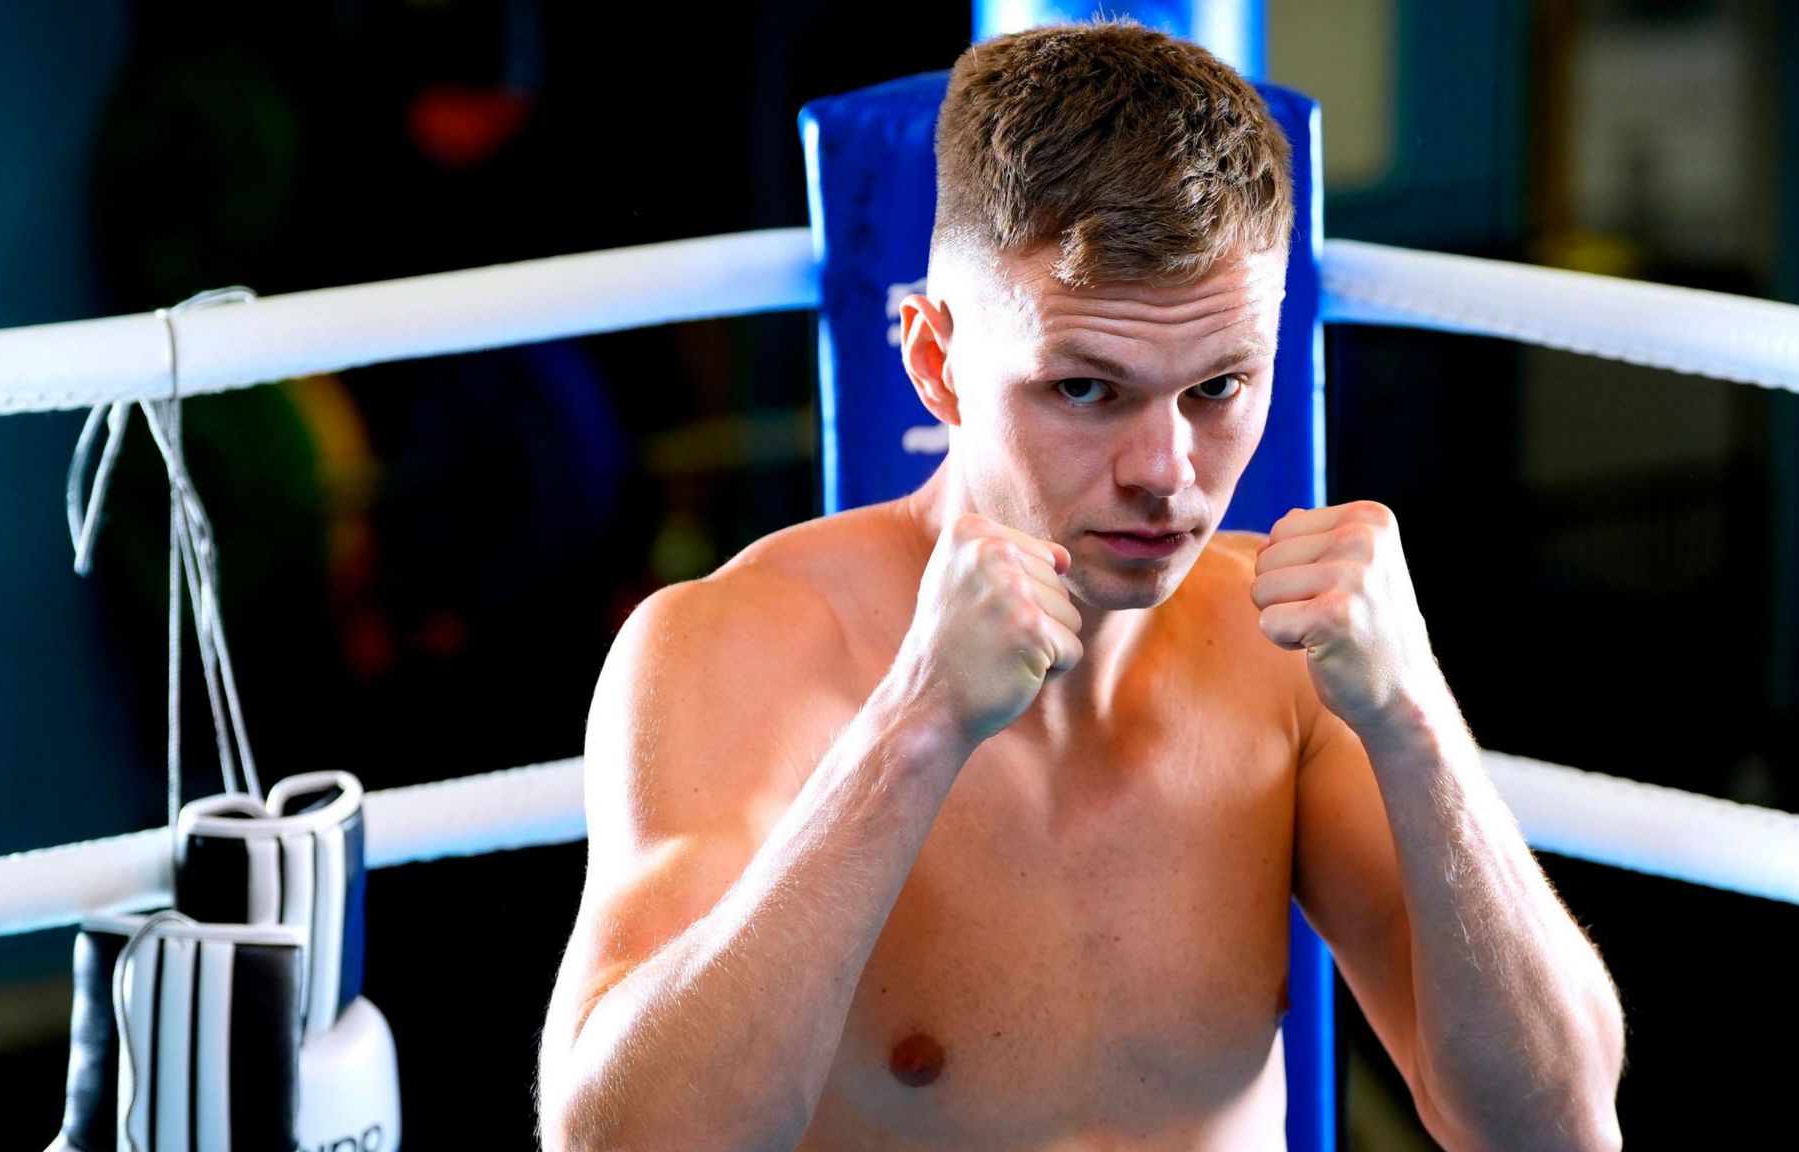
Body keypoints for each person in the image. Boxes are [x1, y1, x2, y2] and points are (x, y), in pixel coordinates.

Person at [537, 20, 1624, 1151]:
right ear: (934, 364)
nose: (1165, 476)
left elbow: (1556, 1131)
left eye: (1215, 387)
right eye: (1084, 390)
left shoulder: (1283, 659)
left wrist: (1415, 718)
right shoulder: (733, 652)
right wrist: (911, 732)